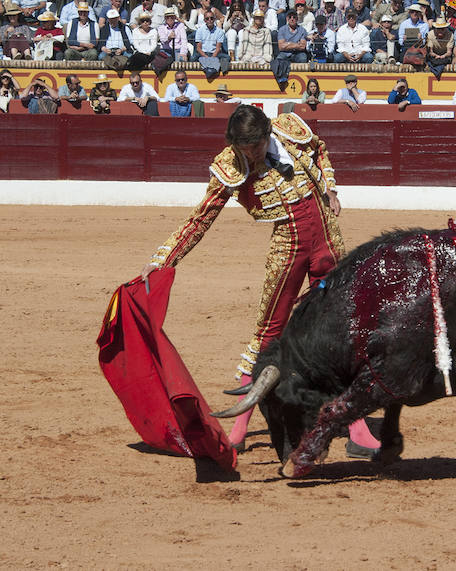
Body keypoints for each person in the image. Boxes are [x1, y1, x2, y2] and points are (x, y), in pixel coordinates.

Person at [139, 105, 380, 457]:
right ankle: (238, 429)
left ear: (268, 133)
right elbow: (201, 216)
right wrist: (163, 259)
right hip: (289, 246)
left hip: (328, 240)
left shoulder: (288, 130)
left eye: (254, 147)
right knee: (269, 333)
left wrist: (330, 187)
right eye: (243, 148)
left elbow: (319, 148)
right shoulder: (231, 165)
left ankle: (357, 431)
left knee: (338, 331)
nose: (249, 154)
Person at [193, 9, 230, 77]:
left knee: (227, 57)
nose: (209, 20)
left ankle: (213, 69)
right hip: (203, 54)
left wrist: (211, 58)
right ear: (204, 20)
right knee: (193, 58)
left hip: (214, 54)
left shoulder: (219, 31)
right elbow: (198, 48)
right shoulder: (200, 30)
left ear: (214, 19)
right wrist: (207, 57)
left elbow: (218, 48)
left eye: (211, 18)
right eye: (207, 18)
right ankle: (213, 68)